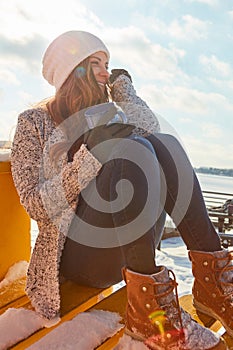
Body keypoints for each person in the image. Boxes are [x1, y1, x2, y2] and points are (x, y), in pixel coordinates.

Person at [11, 30, 232, 349]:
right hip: (75, 259)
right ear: (74, 69)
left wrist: (124, 89)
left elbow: (154, 134)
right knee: (130, 148)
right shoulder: (34, 122)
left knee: (161, 144)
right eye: (97, 63)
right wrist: (90, 157)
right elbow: (35, 204)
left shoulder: (106, 115)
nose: (106, 72)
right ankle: (149, 311)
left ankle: (214, 283)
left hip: (127, 249)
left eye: (109, 63)